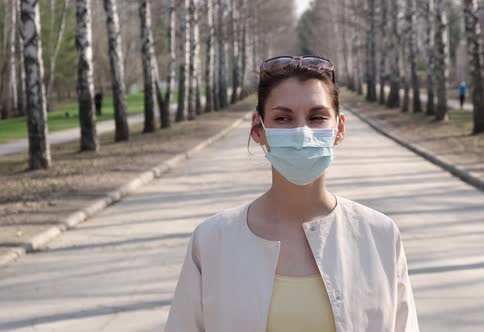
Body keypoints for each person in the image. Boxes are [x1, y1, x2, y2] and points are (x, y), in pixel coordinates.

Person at [164, 55, 420, 332]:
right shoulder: (213, 240)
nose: (302, 133)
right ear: (258, 129)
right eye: (283, 118)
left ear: (339, 128)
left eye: (317, 117)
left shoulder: (379, 236)